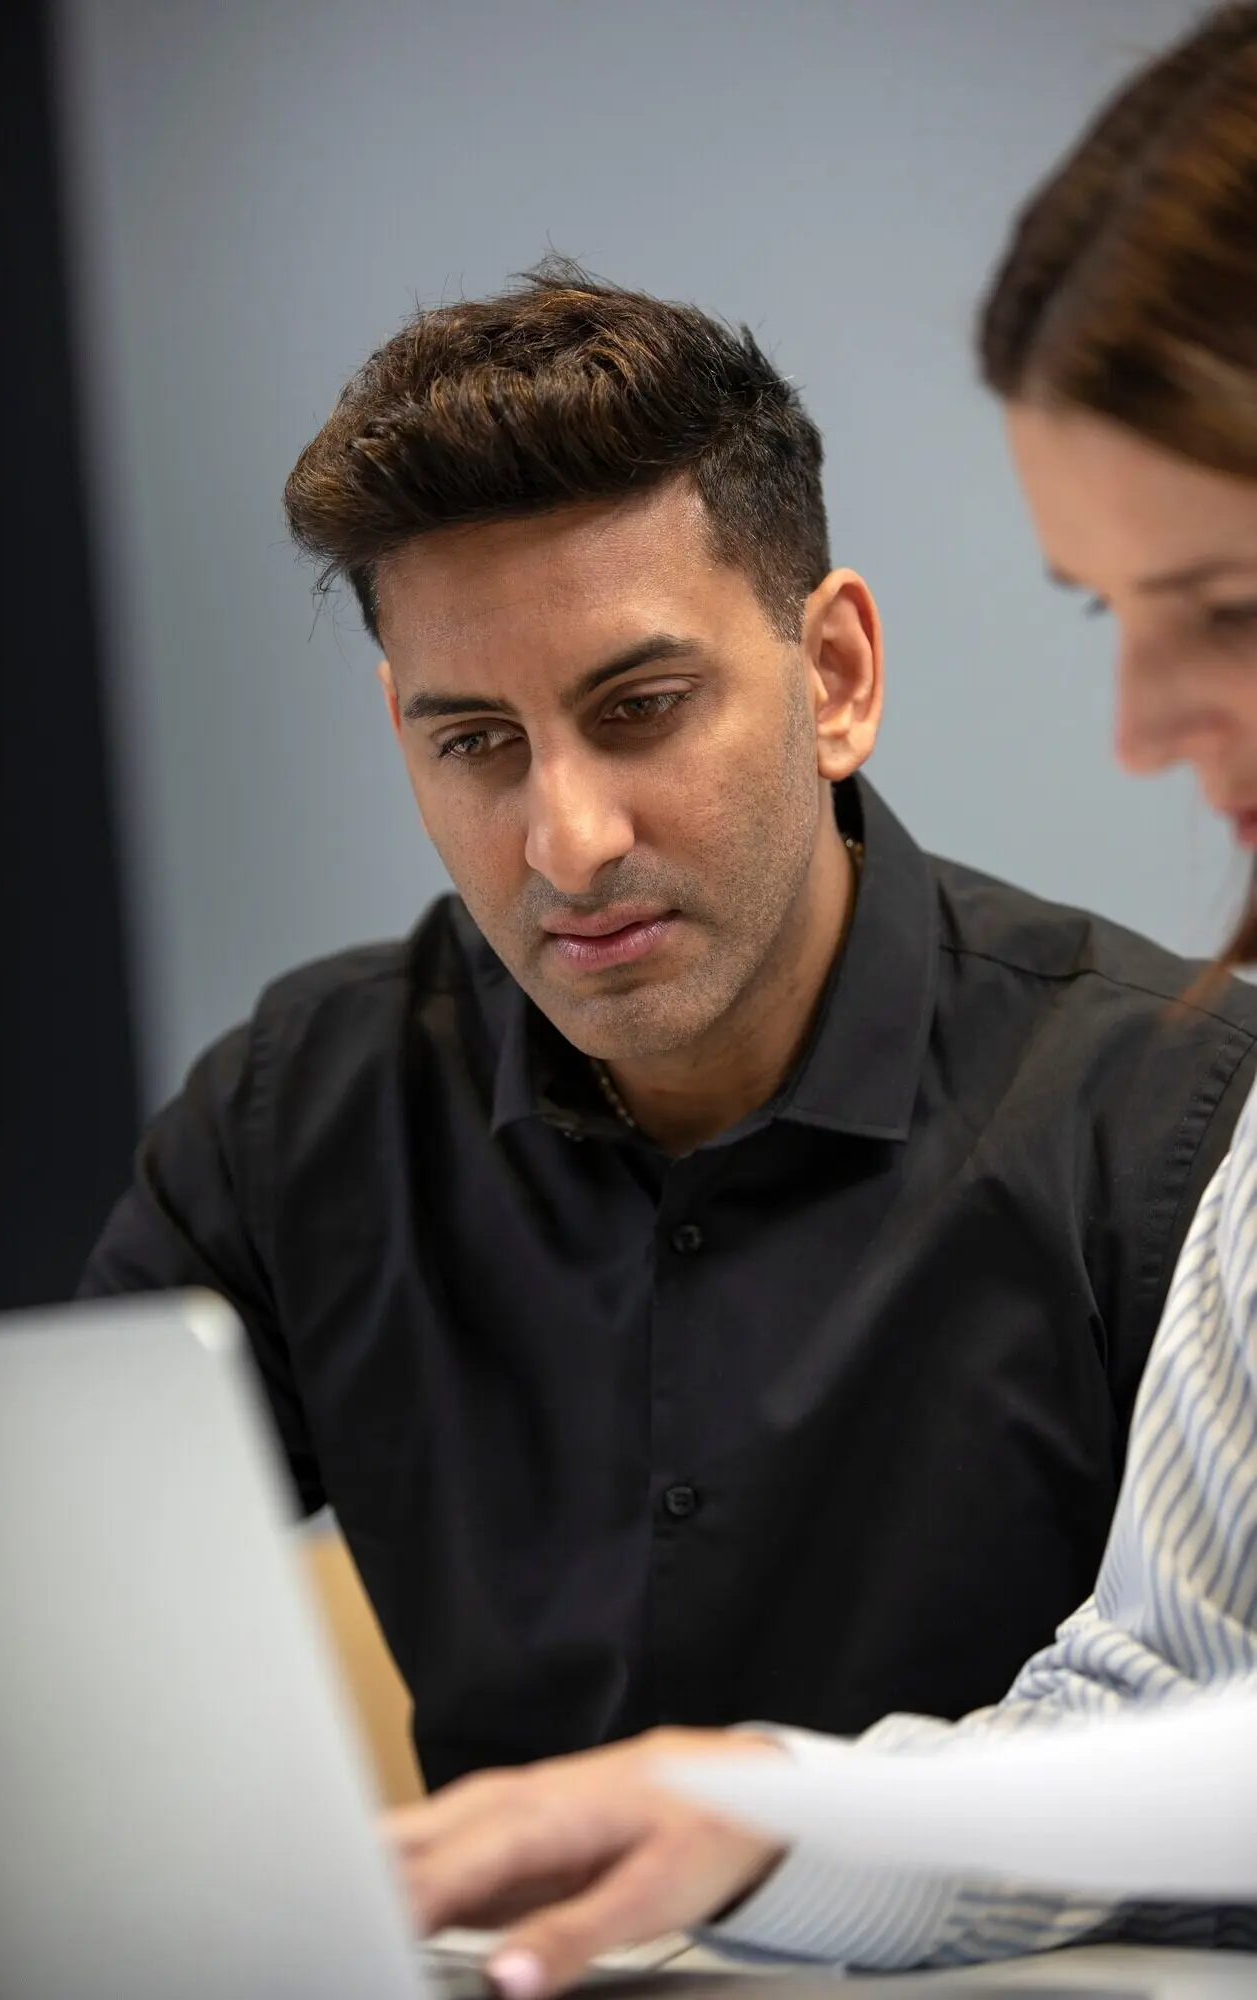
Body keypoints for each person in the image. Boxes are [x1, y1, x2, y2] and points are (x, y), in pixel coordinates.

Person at [86, 274, 1253, 1817]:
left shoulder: (1181, 1125)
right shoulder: (289, 1117)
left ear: (834, 678)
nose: (568, 843)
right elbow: (55, 1631)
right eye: (475, 745)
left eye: (639, 708)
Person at [383, 6, 1257, 1990]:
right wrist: (766, 1817)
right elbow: (1173, 1690)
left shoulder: (1167, 1088)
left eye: (1227, 608)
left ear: (830, 673)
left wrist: (791, 1804)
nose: (1136, 727)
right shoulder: (302, 1101)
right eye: (1107, 613)